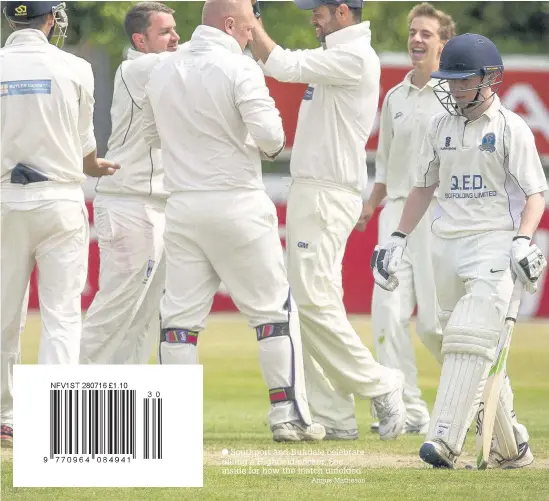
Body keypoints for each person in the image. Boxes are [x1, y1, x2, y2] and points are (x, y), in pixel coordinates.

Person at [142, 0, 325, 442]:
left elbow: (151, 134)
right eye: (247, 27)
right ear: (229, 24)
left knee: (179, 322)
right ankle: (287, 415)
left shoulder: (162, 69)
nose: (251, 34)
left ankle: (175, 425)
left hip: (183, 205)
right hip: (237, 202)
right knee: (272, 314)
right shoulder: (239, 68)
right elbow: (272, 139)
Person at [371, 33, 547, 468]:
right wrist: (397, 237)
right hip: (445, 245)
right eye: (448, 81)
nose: (453, 89)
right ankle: (512, 449)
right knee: (469, 349)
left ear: (489, 78)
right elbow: (423, 187)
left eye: (462, 81)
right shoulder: (440, 126)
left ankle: (444, 439)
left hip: (494, 242)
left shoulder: (511, 128)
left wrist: (524, 239)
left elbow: (535, 194)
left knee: (471, 341)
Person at [249, 0, 406, 441]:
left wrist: (250, 22)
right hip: (316, 189)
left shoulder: (354, 55)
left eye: (316, 9)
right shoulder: (341, 54)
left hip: (325, 191)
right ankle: (335, 415)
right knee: (316, 303)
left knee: (311, 301)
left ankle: (381, 382)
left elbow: (280, 64)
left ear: (342, 11)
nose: (310, 16)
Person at [0, 1, 119, 447]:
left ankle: (5, 418)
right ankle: (55, 422)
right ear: (51, 19)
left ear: (13, 18)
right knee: (62, 316)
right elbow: (85, 142)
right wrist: (94, 166)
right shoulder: (75, 68)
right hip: (59, 198)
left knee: (4, 316)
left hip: (5, 200)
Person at [359, 2, 456, 435]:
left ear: (444, 44)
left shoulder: (456, 95)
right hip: (395, 215)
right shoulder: (394, 97)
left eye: (427, 34)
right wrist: (368, 205)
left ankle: (477, 398)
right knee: (386, 316)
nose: (416, 40)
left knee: (435, 326)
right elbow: (385, 166)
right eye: (413, 32)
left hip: (440, 216)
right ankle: (406, 411)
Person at [79, 2, 181, 365]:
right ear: (140, 39)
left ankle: (122, 406)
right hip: (128, 202)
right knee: (114, 311)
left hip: (158, 203)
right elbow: (197, 60)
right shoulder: (136, 67)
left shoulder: (166, 70)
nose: (175, 38)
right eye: (165, 32)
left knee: (143, 317)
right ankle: (70, 395)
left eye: (175, 29)